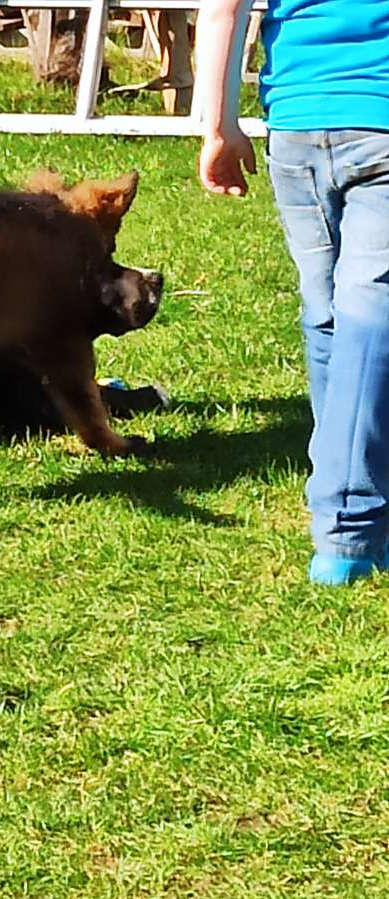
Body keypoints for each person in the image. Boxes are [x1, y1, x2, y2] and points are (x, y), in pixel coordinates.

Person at [195, 0, 389, 585]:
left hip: (299, 122)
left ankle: (342, 506)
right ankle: (349, 523)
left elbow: (220, 13)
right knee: (369, 314)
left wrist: (218, 127)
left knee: (330, 313)